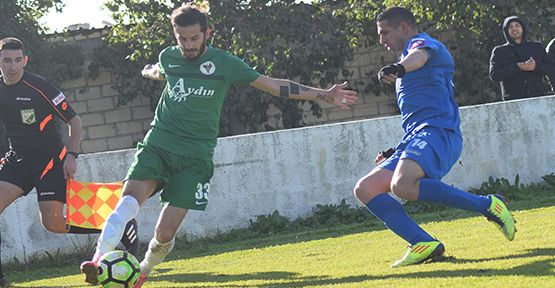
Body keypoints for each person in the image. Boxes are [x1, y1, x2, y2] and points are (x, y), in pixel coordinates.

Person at [79, 2, 358, 287]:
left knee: (165, 232)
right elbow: (162, 70)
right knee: (128, 201)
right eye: (182, 39)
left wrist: (323, 94)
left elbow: (273, 85)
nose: (188, 45)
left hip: (195, 157)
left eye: (194, 38)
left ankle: (145, 269)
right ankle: (98, 258)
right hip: (159, 145)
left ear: (207, 33)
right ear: (175, 35)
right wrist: (150, 70)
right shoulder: (169, 57)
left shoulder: (224, 63)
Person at [353, 7, 516, 268]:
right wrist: (397, 150)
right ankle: (423, 243)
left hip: (439, 132)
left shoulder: (422, 45)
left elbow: (419, 56)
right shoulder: (405, 58)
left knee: (403, 185)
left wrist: (399, 67)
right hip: (417, 137)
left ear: (404, 28)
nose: (381, 40)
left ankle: (488, 205)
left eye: (384, 32)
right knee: (365, 188)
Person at [0, 37, 138, 287]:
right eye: (7, 60)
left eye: (17, 60)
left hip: (49, 161)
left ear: (25, 60)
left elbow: (75, 122)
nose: (12, 66)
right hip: (17, 161)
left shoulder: (41, 87)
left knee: (52, 222)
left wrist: (72, 156)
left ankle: (117, 224)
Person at [489, 16, 555, 100]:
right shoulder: (499, 51)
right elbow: (494, 75)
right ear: (506, 31)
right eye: (510, 27)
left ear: (522, 28)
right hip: (513, 102)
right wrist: (517, 67)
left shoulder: (536, 47)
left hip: (537, 98)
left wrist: (536, 66)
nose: (514, 29)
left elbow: (551, 68)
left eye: (517, 25)